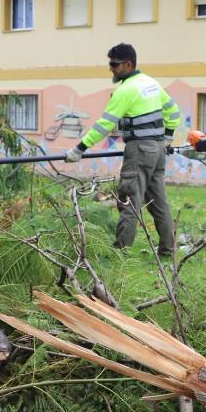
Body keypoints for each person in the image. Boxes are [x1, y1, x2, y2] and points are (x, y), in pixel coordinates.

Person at [67, 43, 181, 256]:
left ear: (128, 64)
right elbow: (174, 112)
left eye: (114, 64)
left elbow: (104, 125)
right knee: (159, 203)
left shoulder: (126, 90)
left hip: (139, 150)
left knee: (129, 201)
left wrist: (79, 148)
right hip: (157, 151)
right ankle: (168, 250)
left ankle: (121, 253)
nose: (111, 68)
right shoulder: (151, 83)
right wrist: (167, 138)